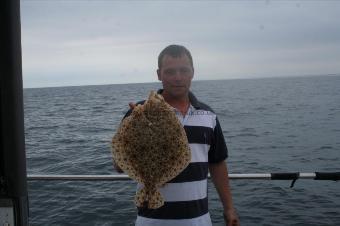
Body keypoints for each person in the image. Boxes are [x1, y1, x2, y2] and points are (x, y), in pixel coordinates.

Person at [114, 44, 240, 226]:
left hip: (198, 220)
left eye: (184, 70)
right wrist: (130, 127)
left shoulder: (208, 115)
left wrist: (229, 208)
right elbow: (119, 167)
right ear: (159, 74)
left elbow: (217, 163)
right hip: (151, 220)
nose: (178, 77)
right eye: (170, 72)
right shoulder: (138, 113)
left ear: (192, 72)